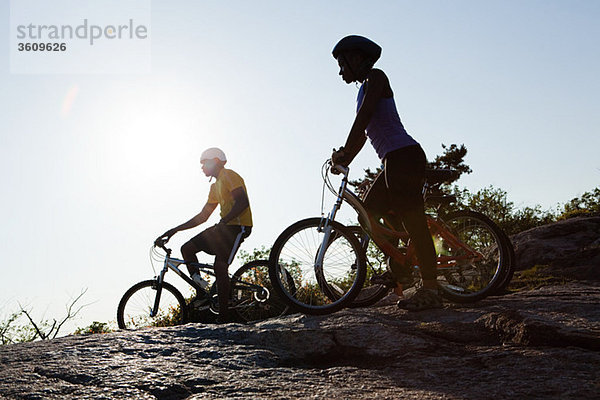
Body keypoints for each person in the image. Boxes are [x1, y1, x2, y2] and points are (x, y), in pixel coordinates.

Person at [330, 35, 442, 311]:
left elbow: (365, 116)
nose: (340, 70)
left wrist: (345, 150)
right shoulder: (361, 91)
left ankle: (430, 288)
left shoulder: (377, 77)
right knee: (367, 211)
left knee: (413, 219)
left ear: (356, 59)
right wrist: (346, 157)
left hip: (404, 156)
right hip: (391, 160)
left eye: (342, 63)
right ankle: (401, 263)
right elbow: (363, 134)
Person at [156, 148, 252, 322]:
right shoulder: (215, 187)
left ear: (216, 161)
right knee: (187, 248)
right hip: (224, 227)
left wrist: (226, 220)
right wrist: (174, 230)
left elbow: (243, 201)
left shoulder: (229, 175)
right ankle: (201, 293)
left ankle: (224, 317)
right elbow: (203, 216)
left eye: (204, 163)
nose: (201, 168)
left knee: (220, 267)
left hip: (238, 226)